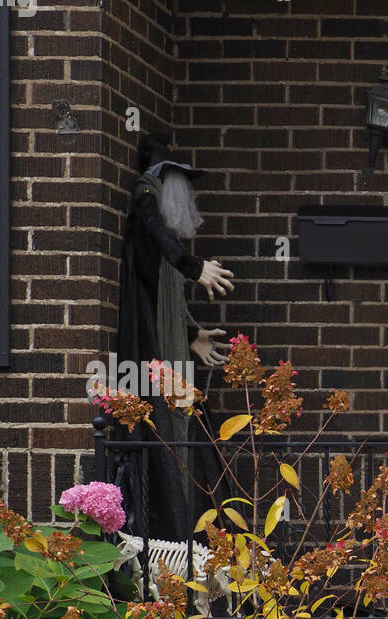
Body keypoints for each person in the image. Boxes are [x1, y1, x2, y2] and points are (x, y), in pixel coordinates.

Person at [115, 132, 234, 540]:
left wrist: (190, 335)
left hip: (165, 355)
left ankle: (189, 538)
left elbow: (162, 297)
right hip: (149, 363)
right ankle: (169, 537)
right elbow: (162, 246)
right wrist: (193, 266)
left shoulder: (157, 224)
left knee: (186, 433)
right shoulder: (146, 202)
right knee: (165, 433)